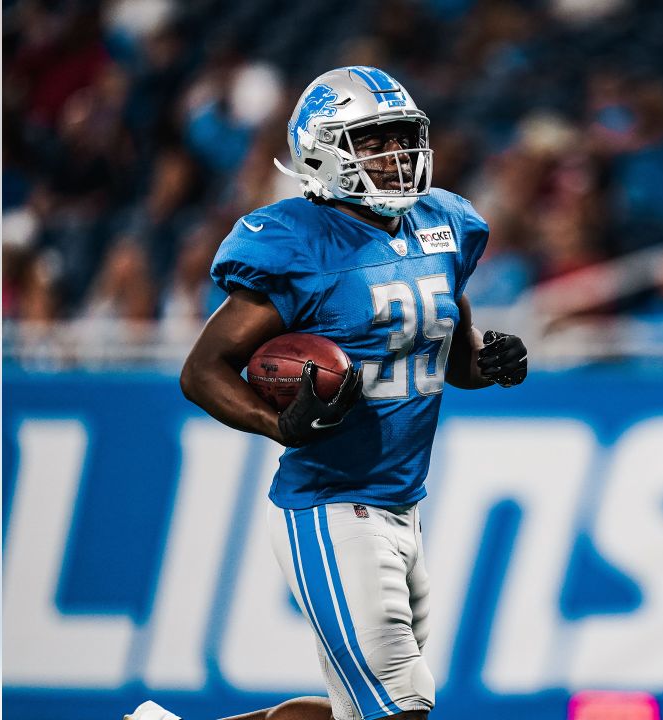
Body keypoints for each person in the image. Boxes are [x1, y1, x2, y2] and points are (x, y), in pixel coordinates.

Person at [126, 66, 528, 720]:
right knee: (401, 706)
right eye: (374, 142)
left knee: (358, 711)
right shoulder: (297, 243)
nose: (397, 155)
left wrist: (488, 359)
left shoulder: (445, 224)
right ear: (323, 149)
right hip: (334, 506)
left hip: (404, 505)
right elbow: (202, 370)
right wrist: (276, 424)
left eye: (403, 137)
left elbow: (451, 350)